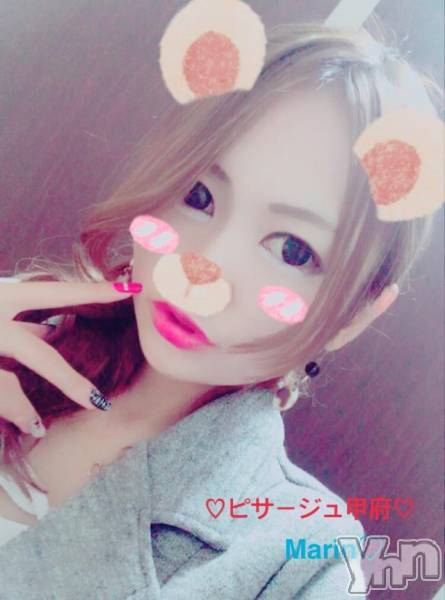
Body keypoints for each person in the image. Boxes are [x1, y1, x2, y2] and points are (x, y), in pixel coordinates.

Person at [0, 21, 442, 599]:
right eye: (199, 196)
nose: (200, 273)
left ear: (352, 318)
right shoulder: (20, 330)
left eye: (293, 250)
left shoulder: (303, 559)